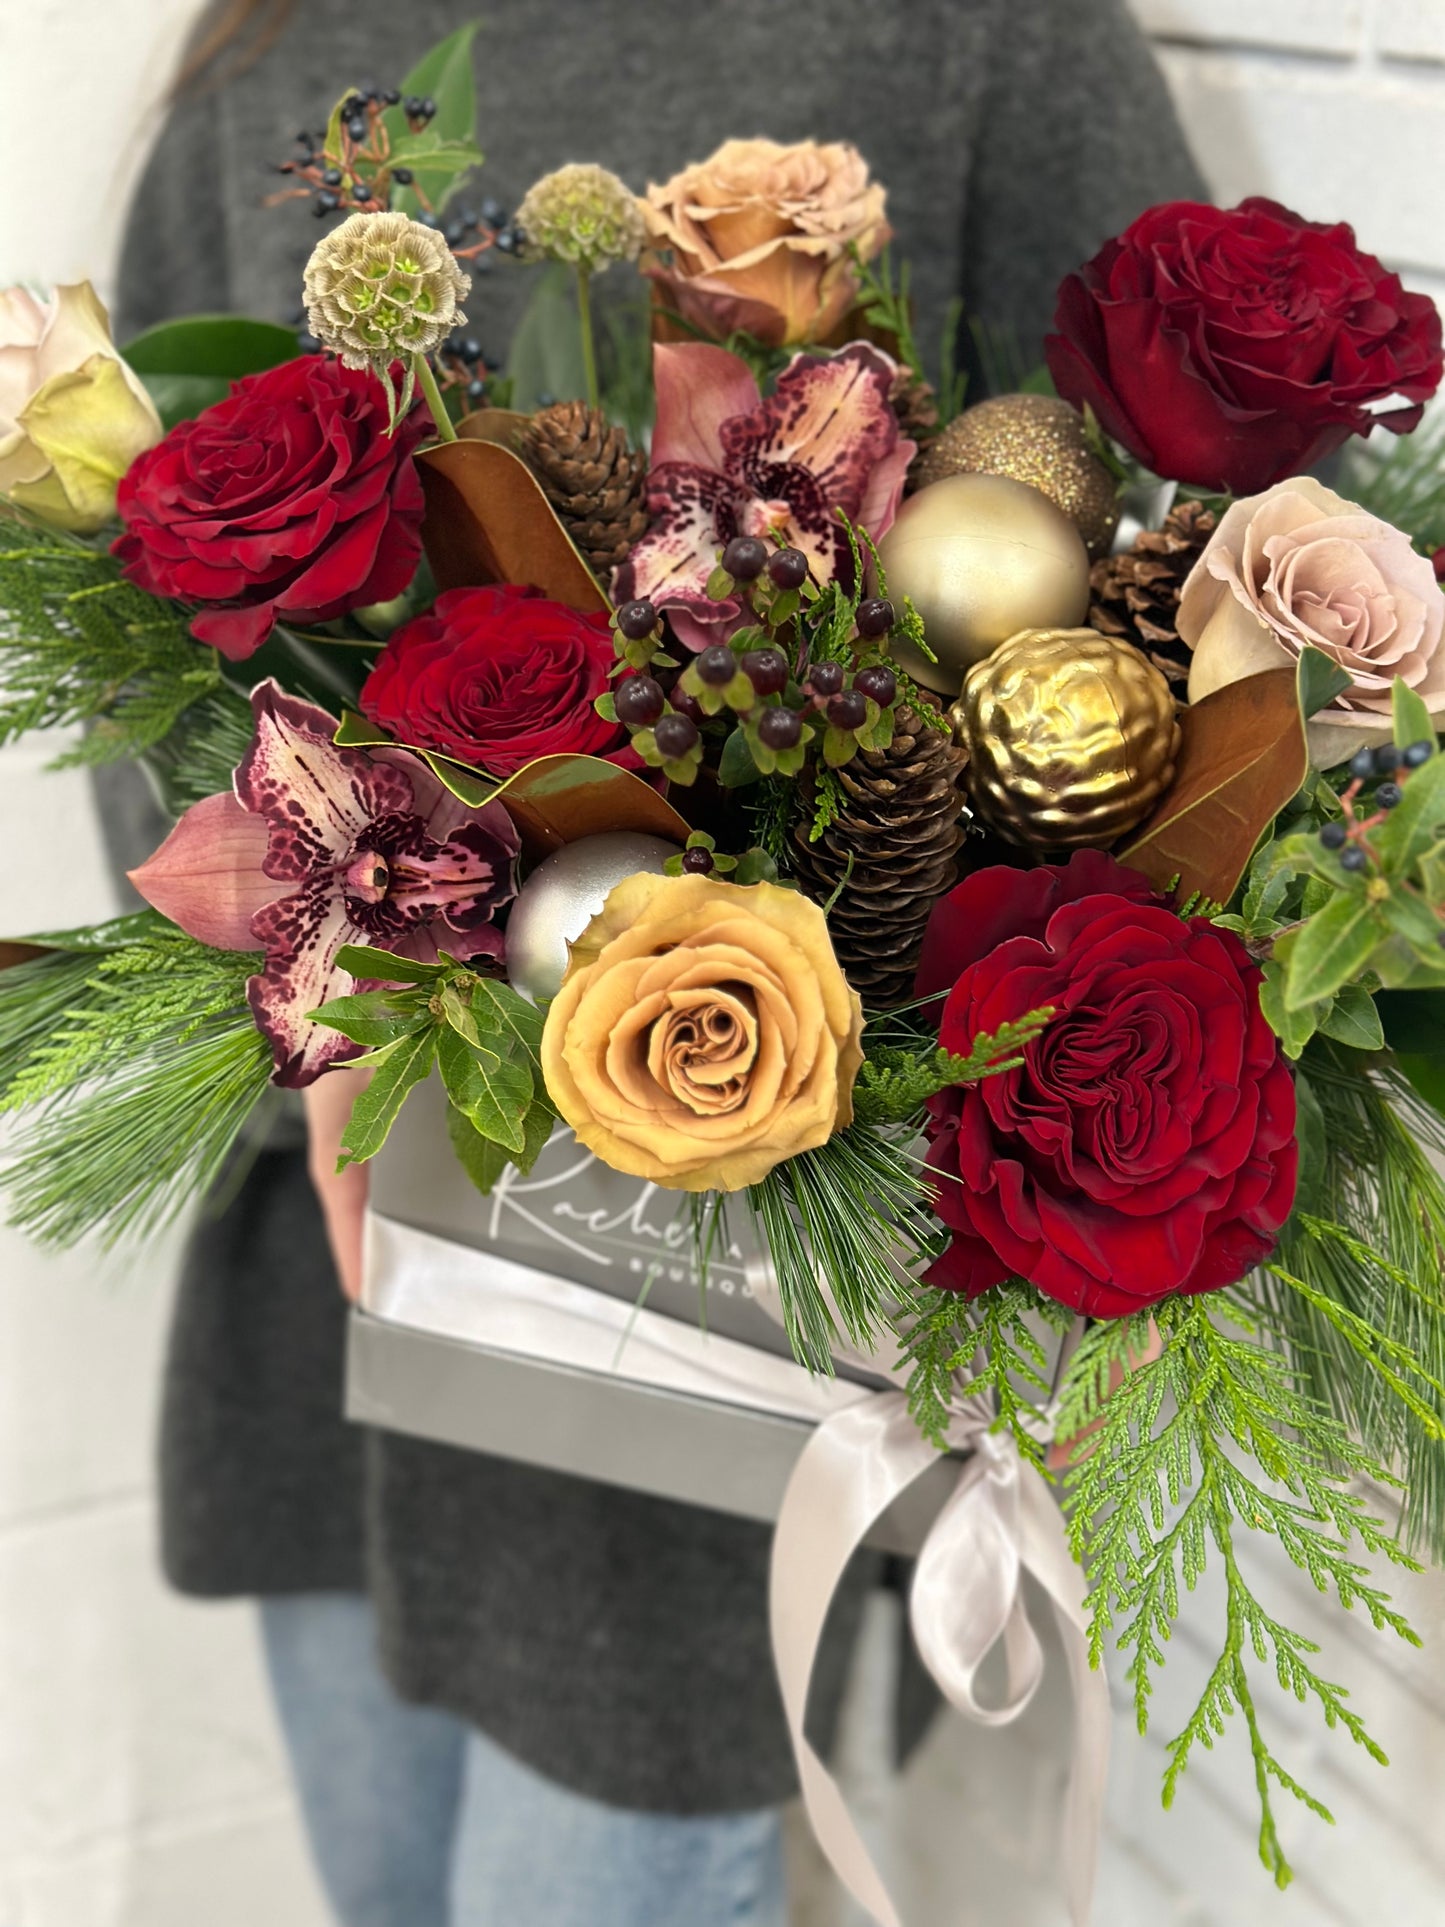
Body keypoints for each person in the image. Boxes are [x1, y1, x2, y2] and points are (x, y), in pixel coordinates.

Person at [102, 5, 1205, 1923]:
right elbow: (152, 640)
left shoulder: (987, 41)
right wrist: (360, 989)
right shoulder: (284, 52)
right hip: (341, 1249)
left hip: (690, 1329)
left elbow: (1165, 633)